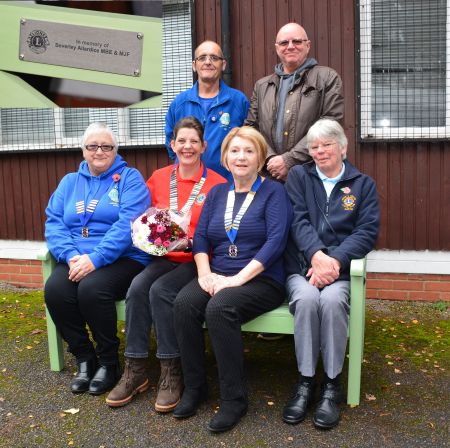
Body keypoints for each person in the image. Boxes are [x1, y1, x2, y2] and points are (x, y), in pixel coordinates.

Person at [172, 126, 292, 433]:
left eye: (249, 151)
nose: (241, 157)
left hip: (262, 279)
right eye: (235, 151)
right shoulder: (217, 193)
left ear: (261, 157)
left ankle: (233, 400)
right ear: (225, 157)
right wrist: (204, 274)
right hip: (218, 274)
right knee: (184, 303)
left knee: (219, 308)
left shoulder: (274, 192)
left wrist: (236, 279)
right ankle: (195, 388)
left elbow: (276, 242)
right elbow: (200, 239)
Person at [106, 117, 226, 411]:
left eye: (193, 142)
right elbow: (143, 216)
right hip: (163, 257)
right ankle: (134, 368)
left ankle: (171, 371)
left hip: (197, 260)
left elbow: (219, 231)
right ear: (172, 145)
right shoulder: (159, 177)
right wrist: (146, 233)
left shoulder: (217, 183)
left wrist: (189, 239)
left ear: (203, 146)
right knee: (136, 288)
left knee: (161, 291)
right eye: (181, 141)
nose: (187, 147)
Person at [283, 119, 380, 429]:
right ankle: (306, 381)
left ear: (343, 147)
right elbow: (297, 221)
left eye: (326, 144)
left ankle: (331, 384)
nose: (320, 151)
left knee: (334, 302)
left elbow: (367, 231)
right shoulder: (299, 176)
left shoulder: (363, 184)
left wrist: (335, 260)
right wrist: (316, 255)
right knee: (309, 300)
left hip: (340, 271)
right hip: (302, 266)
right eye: (314, 146)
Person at [44, 122, 151, 395]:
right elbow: (54, 222)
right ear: (83, 151)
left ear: (116, 150)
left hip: (122, 258)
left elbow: (129, 223)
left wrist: (97, 258)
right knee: (56, 291)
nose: (99, 151)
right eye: (93, 146)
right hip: (76, 257)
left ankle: (108, 361)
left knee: (93, 289)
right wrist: (70, 255)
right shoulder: (69, 182)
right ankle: (84, 357)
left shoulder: (130, 178)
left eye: (106, 146)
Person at [245, 22, 344, 181]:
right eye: (284, 42)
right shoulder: (262, 86)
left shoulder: (327, 78)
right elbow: (251, 128)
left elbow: (331, 124)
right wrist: (270, 158)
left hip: (312, 174)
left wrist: (289, 160)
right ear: (277, 48)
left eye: (297, 41)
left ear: (308, 45)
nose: (290, 46)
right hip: (271, 175)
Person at [165, 40, 249, 180]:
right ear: (194, 65)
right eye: (202, 58)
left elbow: (249, 141)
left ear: (223, 65)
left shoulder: (238, 101)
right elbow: (171, 142)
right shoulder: (179, 103)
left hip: (227, 183)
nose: (208, 62)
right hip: (187, 183)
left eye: (214, 58)